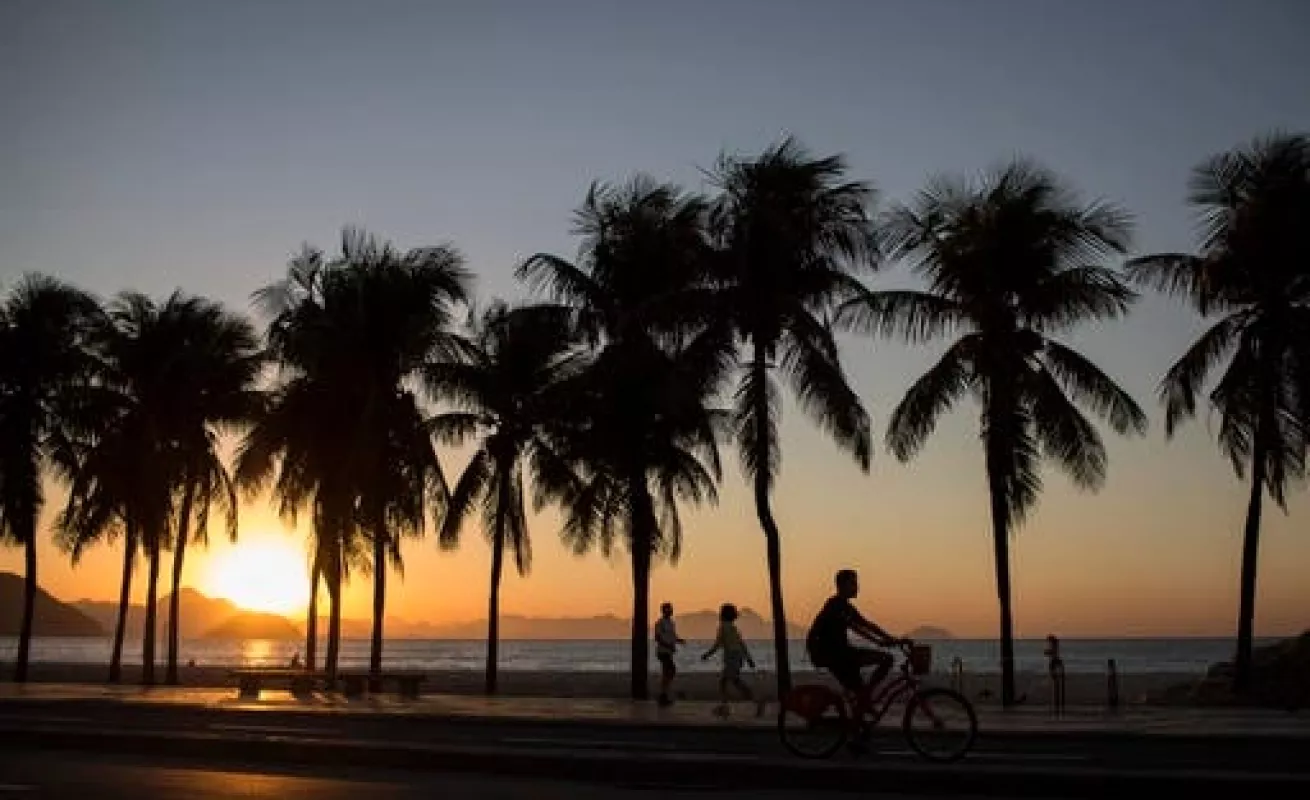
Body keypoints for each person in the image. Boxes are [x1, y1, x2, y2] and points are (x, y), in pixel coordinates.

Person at [805, 569, 907, 698]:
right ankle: (866, 693)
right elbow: (856, 628)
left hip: (843, 652)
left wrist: (892, 639)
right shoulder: (834, 605)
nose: (857, 587)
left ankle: (864, 697)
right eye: (853, 583)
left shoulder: (846, 606)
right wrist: (879, 642)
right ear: (842, 585)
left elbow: (867, 624)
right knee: (887, 659)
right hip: (834, 655)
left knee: (860, 694)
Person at [702, 603, 760, 717]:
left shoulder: (723, 627)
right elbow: (742, 644)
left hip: (732, 657)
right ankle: (727, 705)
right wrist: (749, 659)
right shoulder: (733, 628)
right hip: (737, 657)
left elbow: (718, 644)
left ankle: (754, 702)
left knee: (731, 682)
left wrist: (707, 654)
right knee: (729, 681)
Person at [653, 602, 685, 707]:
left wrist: (679, 640)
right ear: (664, 610)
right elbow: (658, 638)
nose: (671, 610)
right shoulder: (659, 623)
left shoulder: (671, 623)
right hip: (663, 651)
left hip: (669, 651)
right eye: (669, 609)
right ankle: (663, 694)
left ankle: (664, 694)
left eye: (671, 609)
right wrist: (667, 646)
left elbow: (673, 635)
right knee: (670, 670)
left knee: (668, 672)